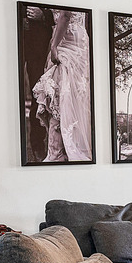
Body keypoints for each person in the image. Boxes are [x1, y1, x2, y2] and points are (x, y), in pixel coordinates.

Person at [32, 10, 91, 162]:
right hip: (70, 37)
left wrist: (54, 46)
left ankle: (57, 153)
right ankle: (58, 151)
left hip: (68, 39)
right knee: (68, 94)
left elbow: (65, 16)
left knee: (60, 93)